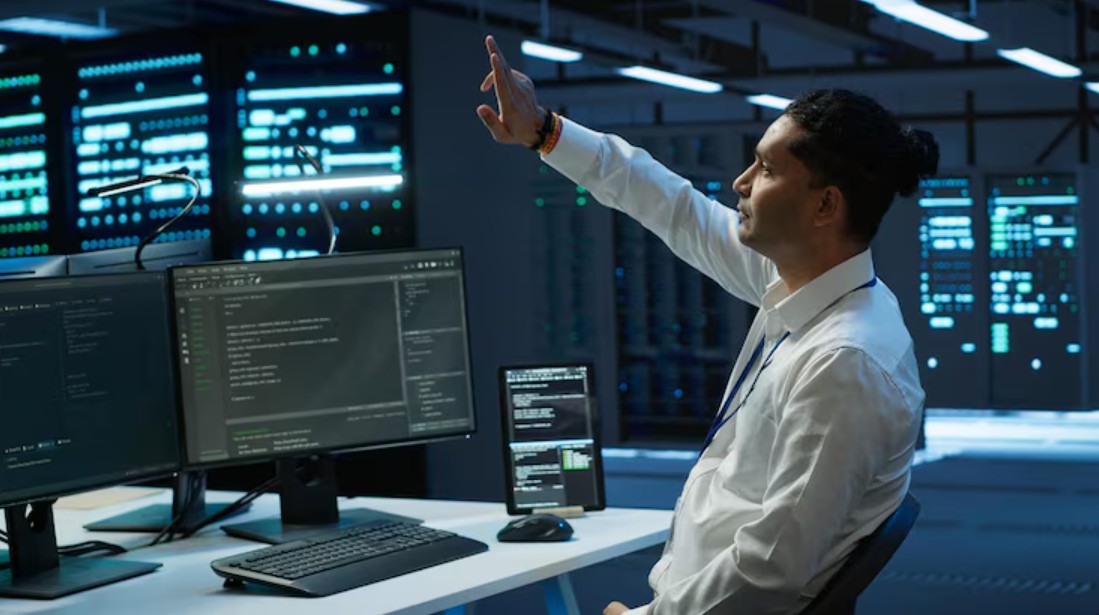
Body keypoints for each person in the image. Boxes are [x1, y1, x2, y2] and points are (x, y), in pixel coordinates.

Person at [476, 34, 935, 615]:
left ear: (825, 207)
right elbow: (673, 206)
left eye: (766, 168)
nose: (741, 182)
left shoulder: (845, 363)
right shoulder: (804, 287)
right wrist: (545, 131)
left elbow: (770, 572)